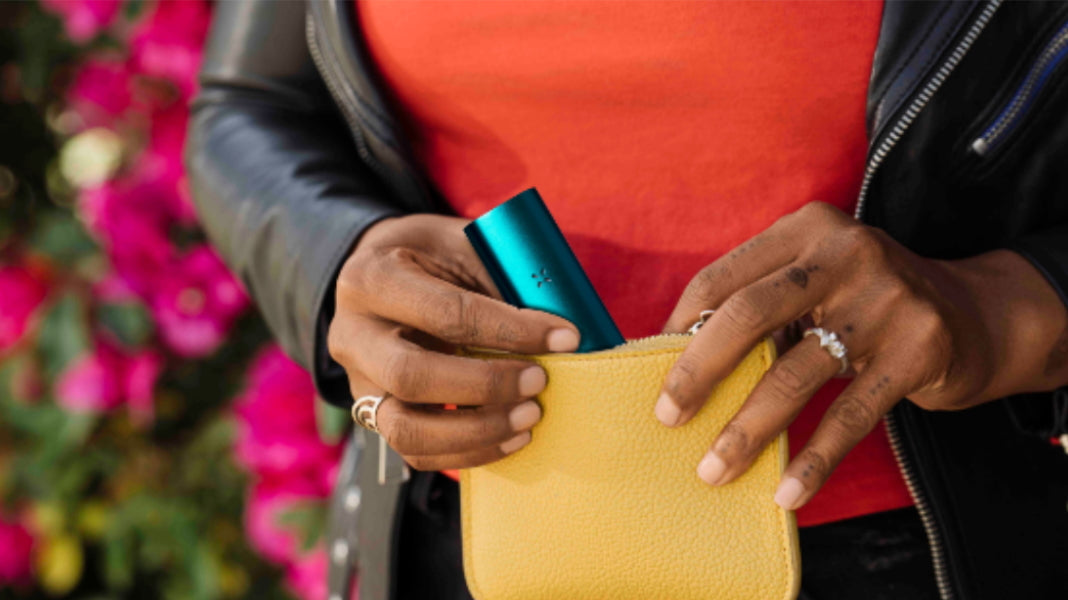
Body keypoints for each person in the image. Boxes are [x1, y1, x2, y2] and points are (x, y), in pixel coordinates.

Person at [187, 1, 1068, 599]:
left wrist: (1006, 309)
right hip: (459, 543)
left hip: (906, 548)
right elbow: (249, 103)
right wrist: (343, 256)